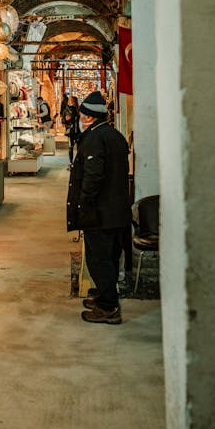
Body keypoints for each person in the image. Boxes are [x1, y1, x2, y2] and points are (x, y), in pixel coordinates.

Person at [66, 90, 131, 324]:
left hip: (101, 213)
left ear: (90, 117)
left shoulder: (95, 139)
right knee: (110, 257)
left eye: (83, 114)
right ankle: (106, 296)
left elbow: (93, 177)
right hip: (116, 211)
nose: (80, 118)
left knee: (99, 259)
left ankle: (108, 307)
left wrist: (84, 205)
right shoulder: (115, 135)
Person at [63, 95, 79, 165]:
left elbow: (66, 119)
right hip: (73, 130)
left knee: (73, 147)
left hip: (76, 130)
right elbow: (65, 119)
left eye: (70, 100)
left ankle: (72, 162)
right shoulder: (69, 109)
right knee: (71, 147)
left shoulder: (76, 109)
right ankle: (71, 162)